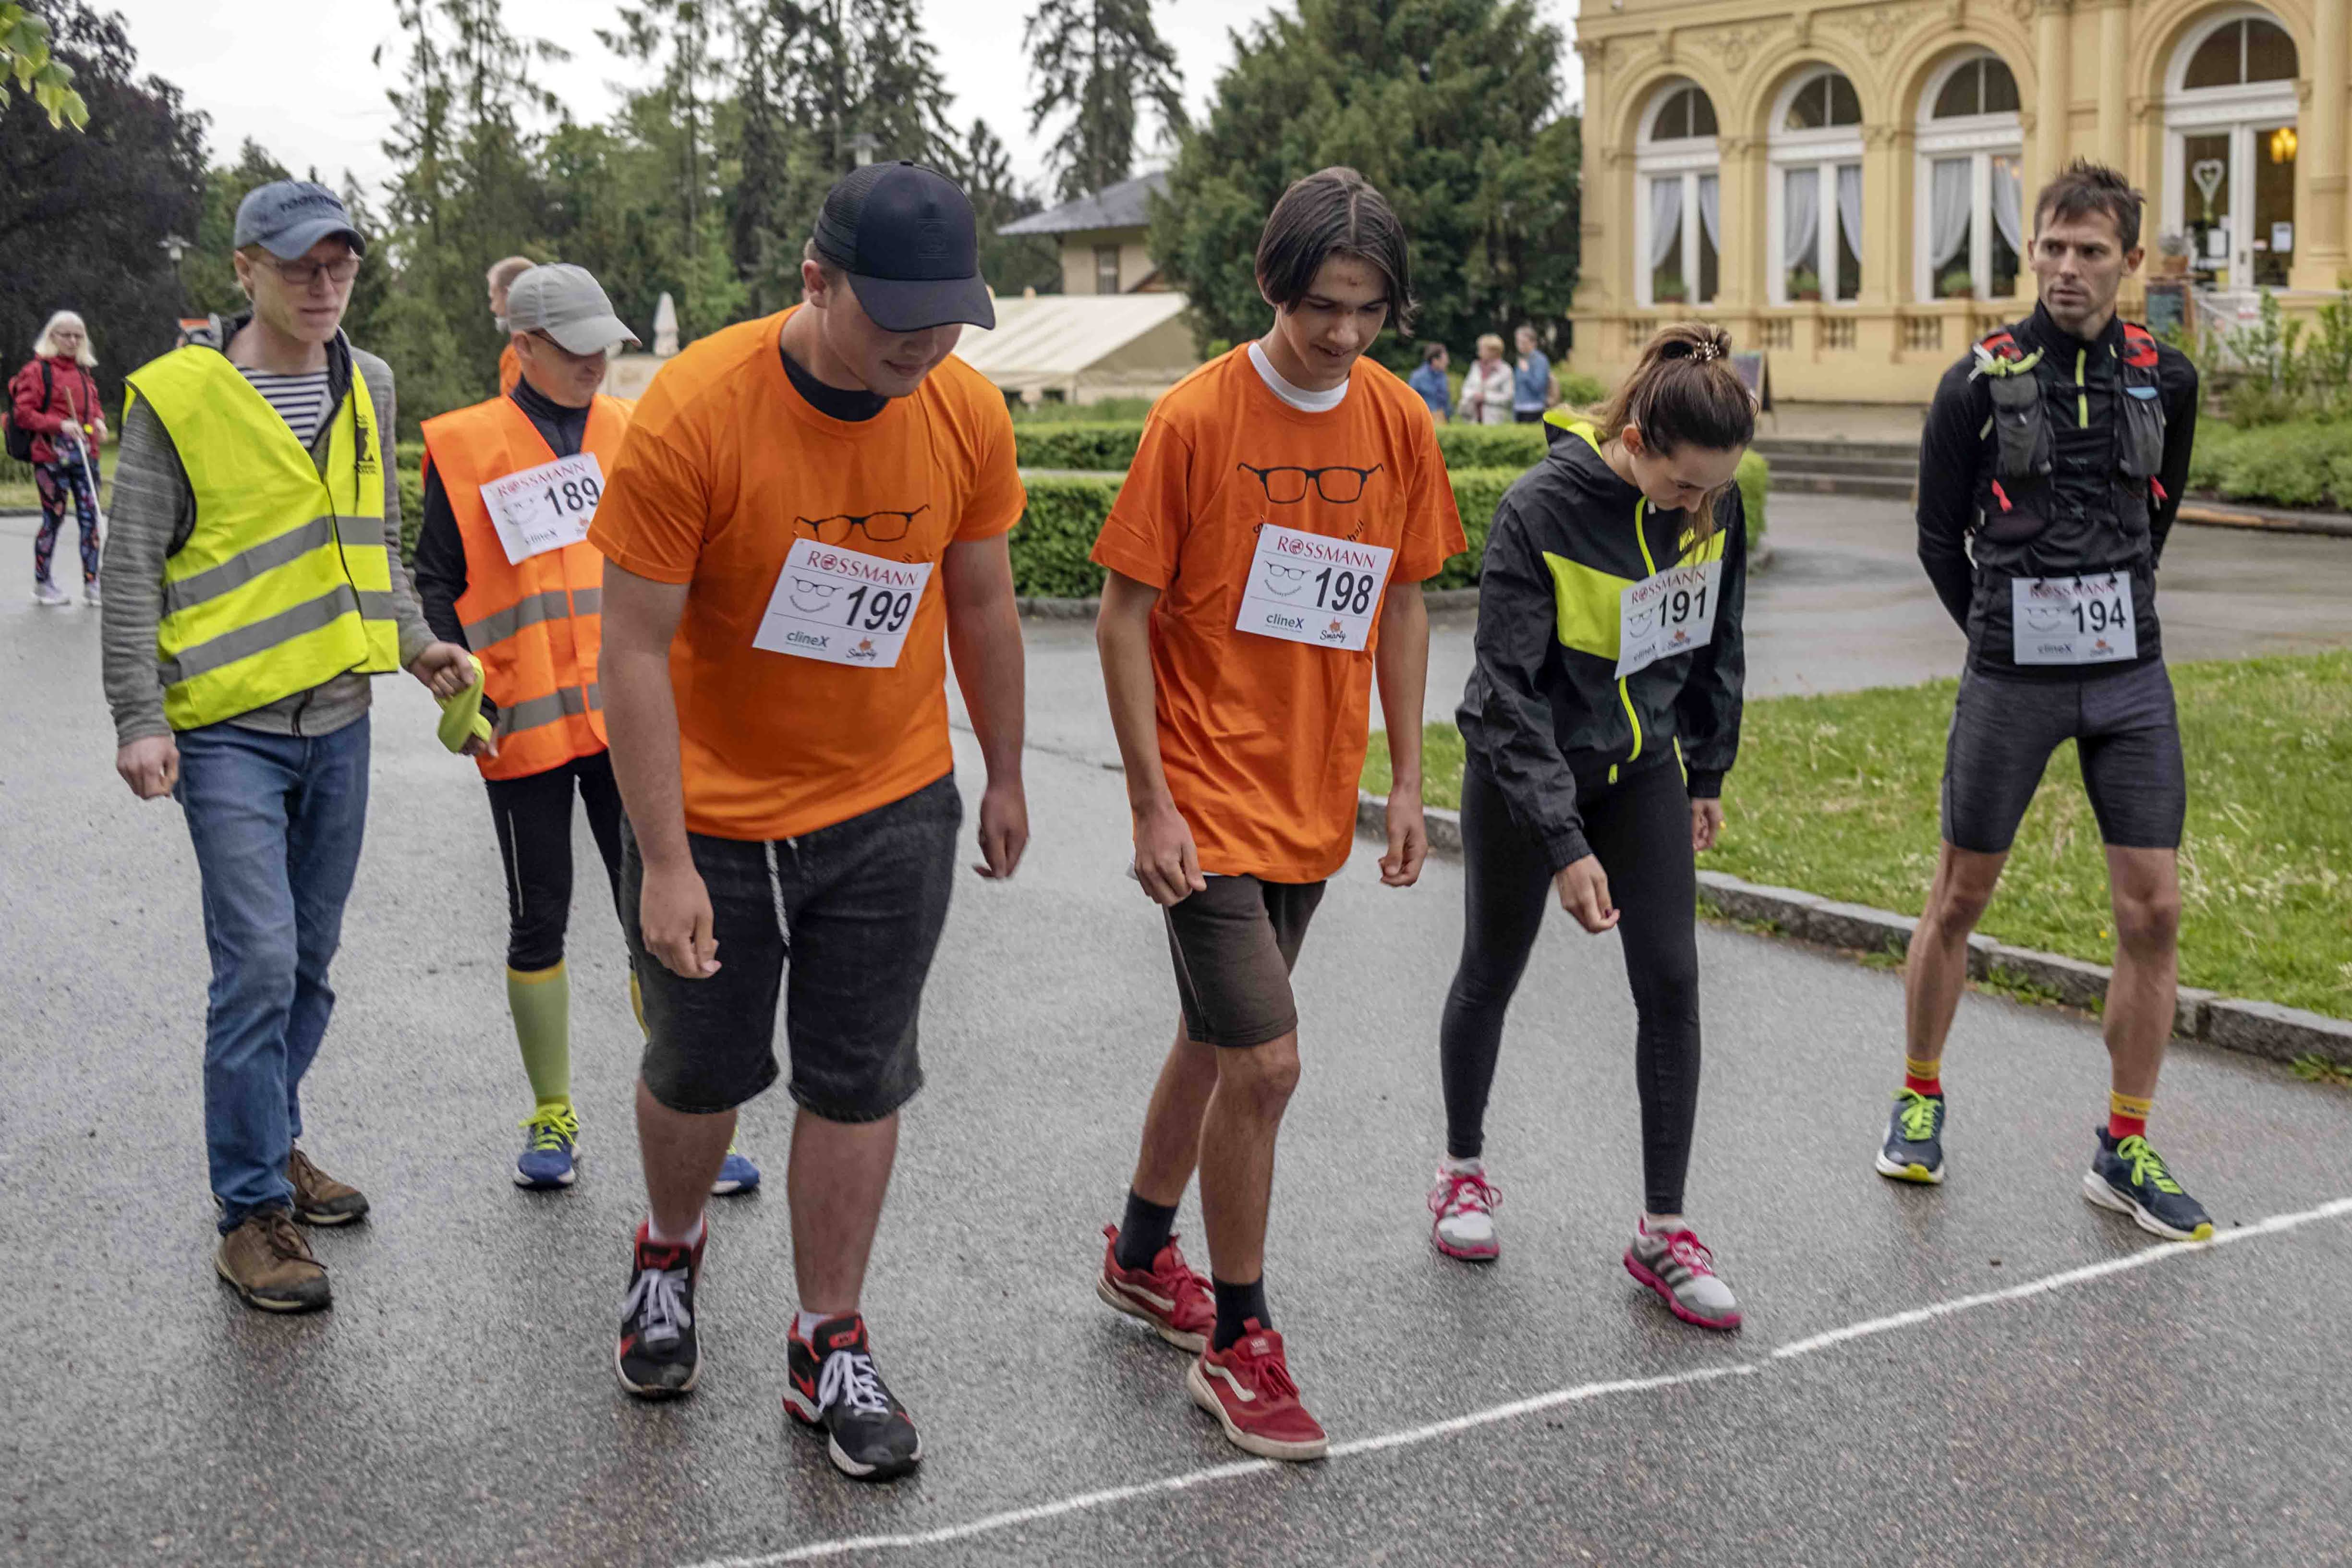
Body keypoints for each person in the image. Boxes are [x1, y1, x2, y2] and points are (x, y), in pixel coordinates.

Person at [588, 160, 1029, 1483]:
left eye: (947, 318)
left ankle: (826, 1338)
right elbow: (631, 650)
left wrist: (1005, 773)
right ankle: (669, 1251)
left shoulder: (960, 408)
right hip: (713, 819)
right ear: (815, 281)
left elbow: (982, 602)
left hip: (889, 804)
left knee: (859, 1075)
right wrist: (666, 859)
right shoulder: (695, 412)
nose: (924, 344)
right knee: (697, 1067)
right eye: (896, 315)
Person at [1090, 166, 1465, 1462]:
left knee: (1213, 1043)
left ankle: (1140, 1253)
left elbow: (1404, 599)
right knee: (1265, 1063)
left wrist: (1404, 780)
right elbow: (1122, 618)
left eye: (1369, 310)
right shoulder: (1195, 419)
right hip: (1205, 798)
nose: (1344, 334)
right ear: (1271, 287)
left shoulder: (1399, 422)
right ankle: (1239, 1341)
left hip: (1311, 793)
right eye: (1321, 308)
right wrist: (1149, 804)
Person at [101, 181, 475, 1313]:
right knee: (259, 965)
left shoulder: (369, 383)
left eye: (340, 265)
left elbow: (374, 545)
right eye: (299, 265)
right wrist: (138, 716)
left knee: (308, 964)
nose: (323, 285)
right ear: (245, 269)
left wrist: (419, 643)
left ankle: (274, 1139)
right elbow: (131, 563)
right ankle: (251, 1213)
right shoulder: (179, 397)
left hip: (341, 720)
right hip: (227, 731)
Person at [1881, 160, 2210, 1242]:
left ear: (2129, 261)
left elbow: (2155, 517)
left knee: (2152, 910)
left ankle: (2124, 1145)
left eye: (2090, 251)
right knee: (1959, 897)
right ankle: (1918, 1095)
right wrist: (1999, 630)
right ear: (2031, 251)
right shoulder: (1973, 382)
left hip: (2128, 676)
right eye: (2052, 248)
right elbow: (1937, 537)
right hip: (2010, 678)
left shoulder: (2167, 378)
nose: (2067, 269)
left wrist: (2100, 608)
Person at [1430, 323, 1752, 1331]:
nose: (1698, 506)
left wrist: (1705, 769)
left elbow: (1716, 636)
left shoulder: (1712, 500)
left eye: (1714, 489)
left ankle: (1663, 1230)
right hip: (1524, 772)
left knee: (1672, 983)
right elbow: (1506, 694)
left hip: (1641, 766)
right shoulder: (1539, 510)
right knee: (1491, 967)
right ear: (1637, 439)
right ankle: (1461, 1172)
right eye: (1683, 485)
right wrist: (1564, 843)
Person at [413, 262, 757, 1194]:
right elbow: (436, 578)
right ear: (523, 345)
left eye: (604, 345)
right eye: (574, 349)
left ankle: (691, 1114)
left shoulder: (632, 432)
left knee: (659, 919)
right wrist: (458, 683)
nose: (595, 364)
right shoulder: (465, 444)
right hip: (519, 720)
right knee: (538, 923)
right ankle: (552, 1115)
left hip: (627, 722)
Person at [11, 310, 107, 606]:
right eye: (66, 335)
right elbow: (23, 414)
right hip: (51, 459)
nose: (73, 341)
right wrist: (60, 425)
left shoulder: (83, 371)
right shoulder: (37, 371)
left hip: (85, 456)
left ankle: (92, 584)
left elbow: (93, 406)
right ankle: (43, 584)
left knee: (91, 519)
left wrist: (99, 421)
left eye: (78, 336)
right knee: (53, 519)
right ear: (52, 336)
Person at [487, 255, 536, 396]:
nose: (492, 308)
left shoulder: (521, 354)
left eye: (494, 298)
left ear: (509, 295)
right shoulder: (552, 342)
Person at [1456, 332, 1513, 425]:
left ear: (1493, 351)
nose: (1478, 352)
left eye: (1482, 349)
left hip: (1495, 420)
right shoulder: (1476, 366)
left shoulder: (1505, 370)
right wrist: (1473, 395)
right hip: (1472, 418)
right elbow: (1466, 387)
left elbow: (1508, 397)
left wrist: (1485, 398)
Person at [1511, 324, 1553, 424]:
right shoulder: (1522, 358)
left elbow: (1538, 386)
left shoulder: (1540, 360)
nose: (1520, 345)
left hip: (1534, 408)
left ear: (1533, 343)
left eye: (1524, 342)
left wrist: (1526, 372)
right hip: (1519, 407)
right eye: (1518, 342)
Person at [1407, 340, 1451, 423]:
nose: (1448, 363)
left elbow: (1446, 402)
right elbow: (1410, 402)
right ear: (1435, 361)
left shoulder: (1443, 377)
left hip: (1442, 421)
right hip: (1424, 420)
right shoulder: (1417, 377)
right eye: (1444, 361)